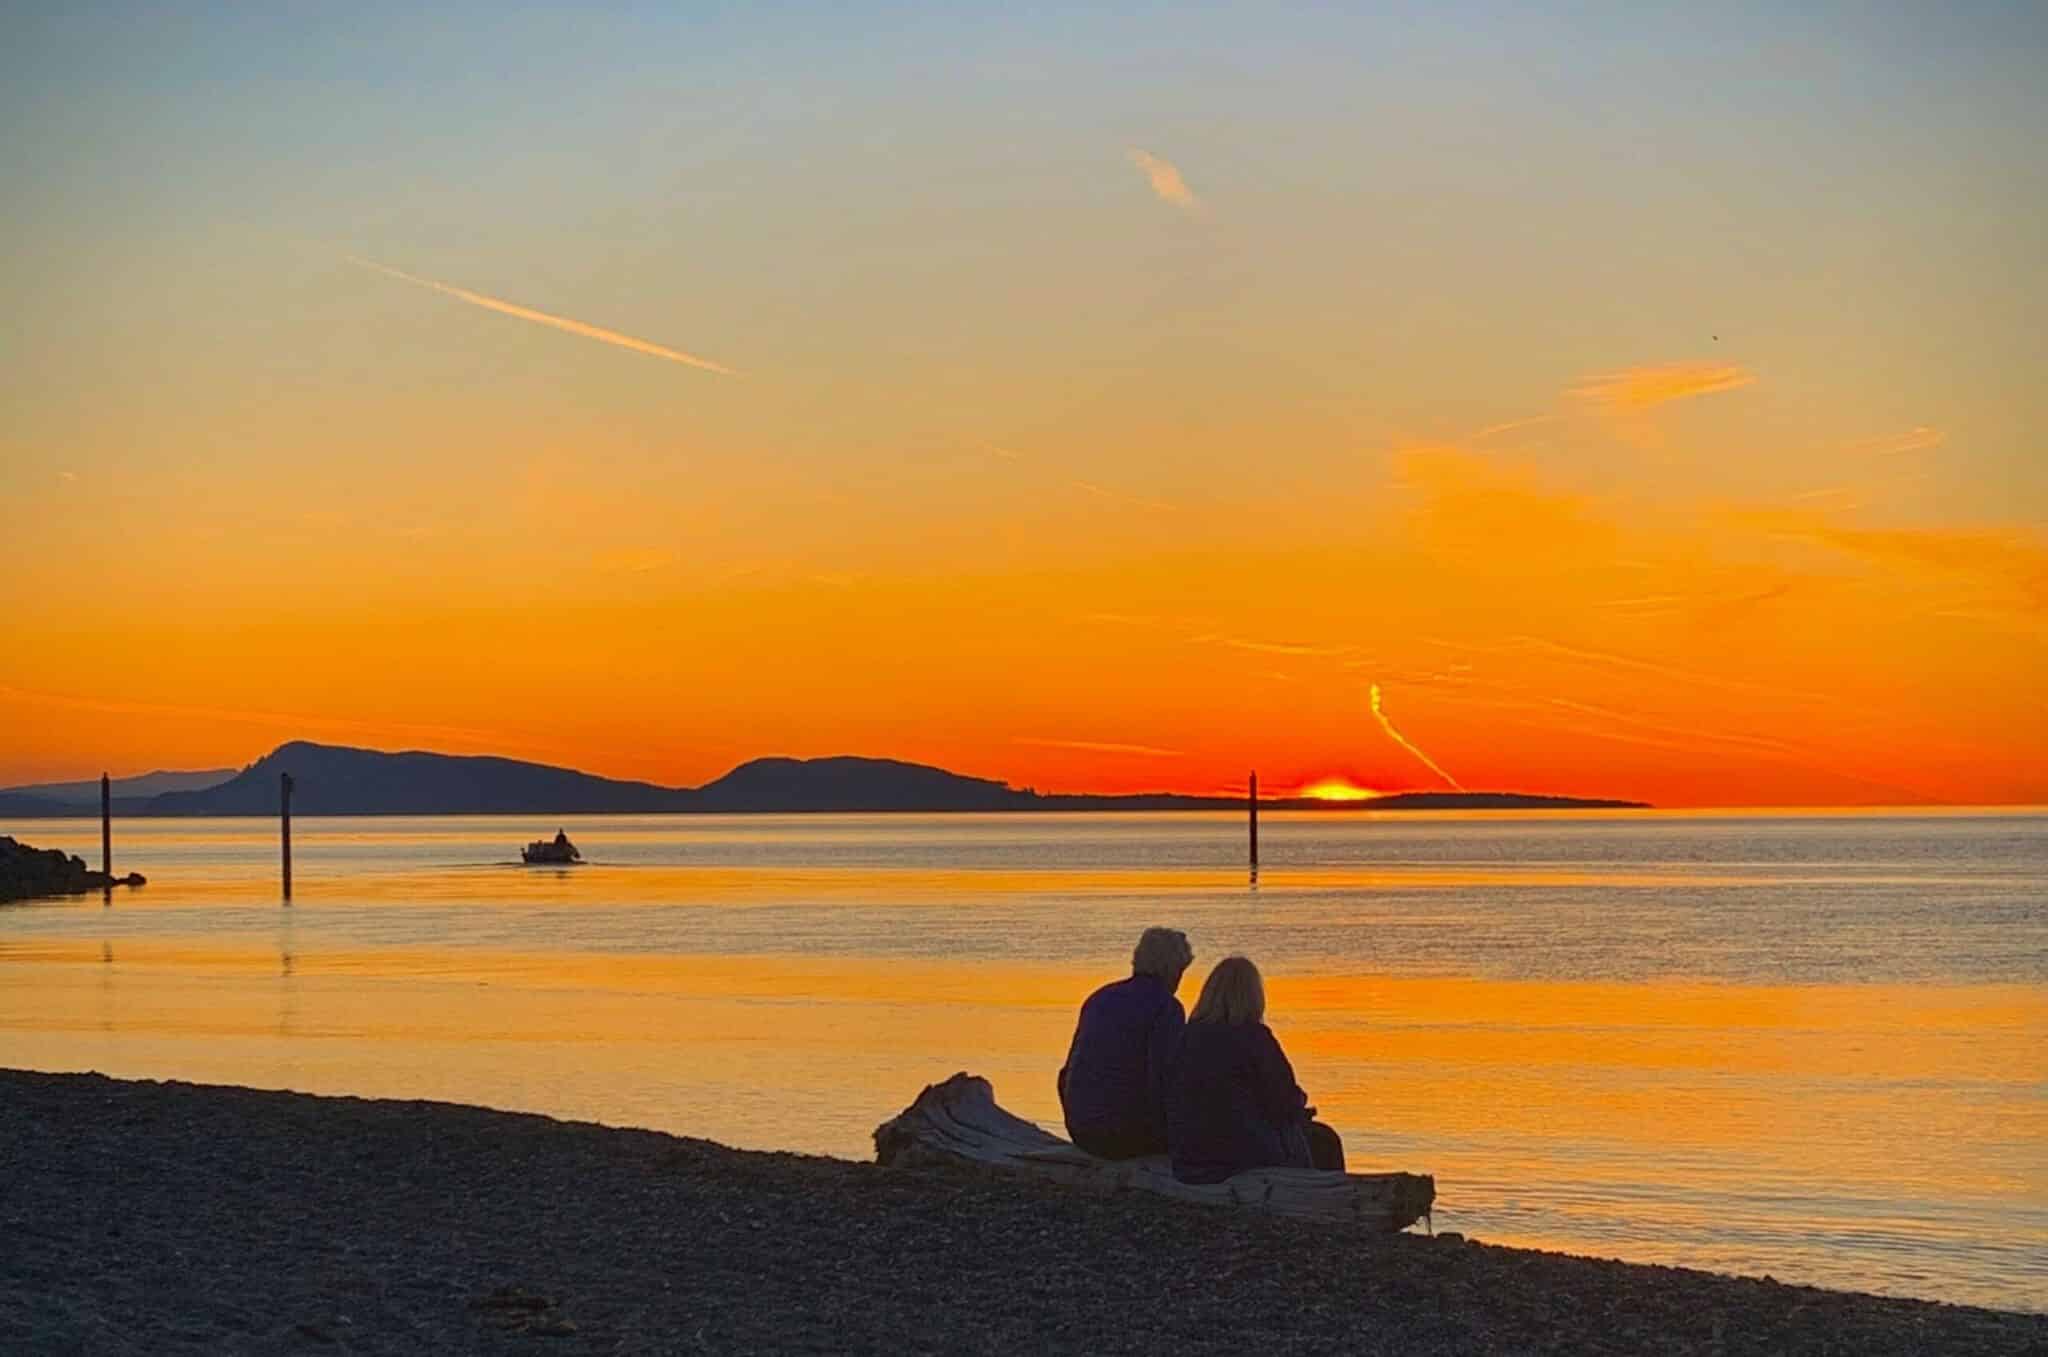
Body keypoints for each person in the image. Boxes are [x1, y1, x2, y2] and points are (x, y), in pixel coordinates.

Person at [1166, 955, 1345, 1183]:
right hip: (1239, 1151)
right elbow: (1283, 1099)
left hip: (1190, 1148)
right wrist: (1299, 1105)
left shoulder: (1186, 1036)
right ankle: (1325, 1197)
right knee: (1325, 1139)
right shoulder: (1254, 1037)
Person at [1057, 926, 1194, 1158]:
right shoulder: (1166, 1007)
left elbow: (1068, 1071)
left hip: (1081, 1129)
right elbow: (1164, 1077)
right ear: (1171, 968)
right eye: (1181, 970)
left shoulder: (1100, 997)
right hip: (1128, 1136)